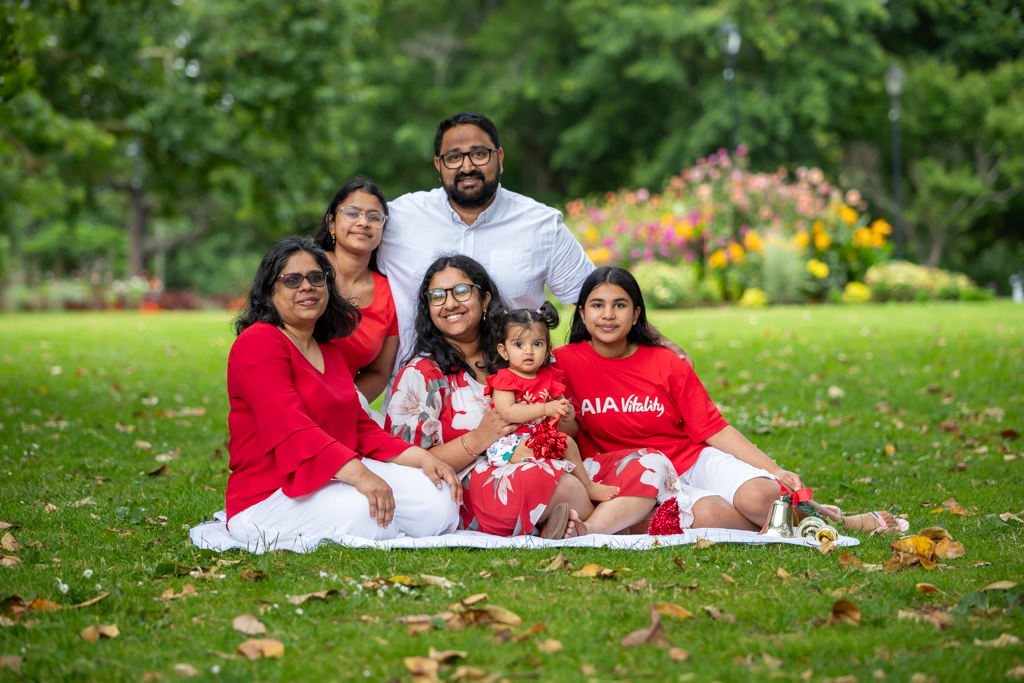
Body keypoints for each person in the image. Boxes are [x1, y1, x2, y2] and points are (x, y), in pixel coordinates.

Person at [554, 267, 909, 535]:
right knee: (708, 516)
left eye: (620, 305)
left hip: (690, 460)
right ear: (582, 314)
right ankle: (793, 521)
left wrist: (773, 468)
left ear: (636, 315)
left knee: (760, 496)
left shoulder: (665, 362)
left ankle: (835, 520)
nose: (608, 315)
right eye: (597, 305)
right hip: (632, 475)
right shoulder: (564, 363)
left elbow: (713, 429)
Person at [377, 111, 688, 407]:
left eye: (479, 154)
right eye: (454, 157)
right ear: (438, 165)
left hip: (522, 405)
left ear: (499, 158)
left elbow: (596, 297)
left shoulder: (539, 224)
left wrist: (657, 342)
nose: (467, 166)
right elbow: (343, 260)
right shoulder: (399, 220)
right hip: (422, 400)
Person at [385, 254, 677, 539]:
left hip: (553, 457)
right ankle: (624, 520)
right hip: (484, 484)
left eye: (461, 291)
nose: (450, 303)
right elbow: (402, 459)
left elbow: (570, 430)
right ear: (428, 305)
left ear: (485, 299)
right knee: (559, 483)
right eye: (437, 296)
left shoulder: (525, 351)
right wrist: (478, 439)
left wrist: (558, 420)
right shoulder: (421, 374)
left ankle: (592, 528)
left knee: (651, 463)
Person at [223, 236, 462, 550]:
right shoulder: (259, 342)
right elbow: (290, 426)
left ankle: (382, 522)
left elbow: (358, 425)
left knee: (439, 500)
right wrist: (360, 475)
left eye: (316, 278)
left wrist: (421, 458)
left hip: (333, 474)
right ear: (269, 291)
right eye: (291, 280)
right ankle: (379, 523)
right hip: (268, 495)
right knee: (366, 512)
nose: (306, 287)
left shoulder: (329, 349)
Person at [484, 302, 619, 502]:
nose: (528, 351)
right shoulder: (505, 378)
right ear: (504, 351)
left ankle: (586, 488)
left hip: (542, 439)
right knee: (555, 455)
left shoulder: (549, 376)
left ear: (547, 349)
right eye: (519, 345)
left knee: (568, 444)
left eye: (537, 344)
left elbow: (561, 404)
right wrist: (545, 408)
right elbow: (507, 412)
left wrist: (567, 412)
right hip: (511, 443)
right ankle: (583, 490)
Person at [313, 177, 398, 418]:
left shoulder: (389, 294)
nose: (363, 222)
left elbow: (379, 372)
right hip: (286, 400)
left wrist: (342, 404)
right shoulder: (306, 271)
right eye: (352, 213)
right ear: (331, 223)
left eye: (374, 217)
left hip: (344, 409)